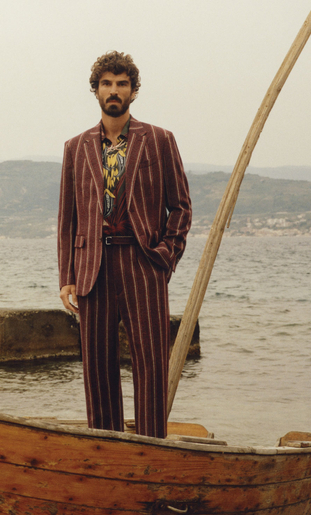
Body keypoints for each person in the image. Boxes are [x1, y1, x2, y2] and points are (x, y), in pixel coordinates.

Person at [58, 51, 191, 438]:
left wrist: (165, 258)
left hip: (142, 262)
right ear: (95, 90)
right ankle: (106, 452)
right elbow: (68, 218)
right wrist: (67, 276)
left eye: (121, 84)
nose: (113, 91)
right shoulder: (75, 147)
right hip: (92, 268)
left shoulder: (160, 140)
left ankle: (152, 448)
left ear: (133, 91)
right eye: (106, 83)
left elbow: (180, 208)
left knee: (151, 364)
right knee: (97, 367)